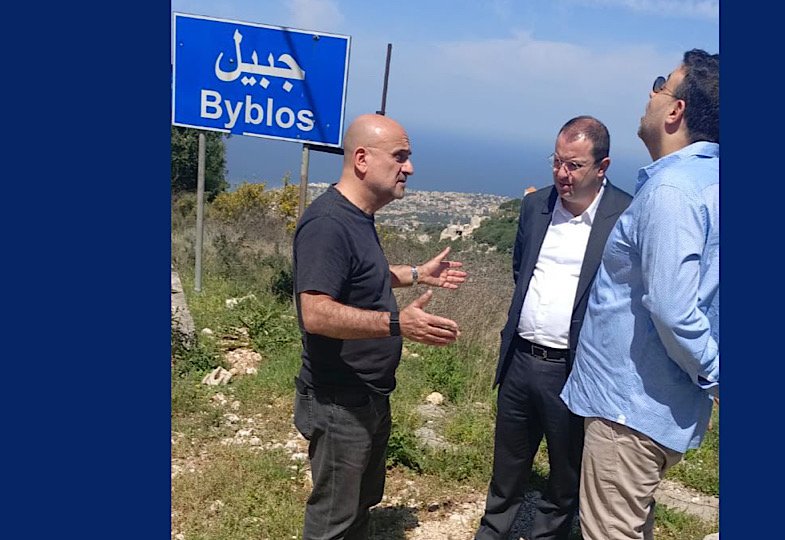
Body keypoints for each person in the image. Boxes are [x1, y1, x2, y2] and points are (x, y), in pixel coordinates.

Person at [560, 49, 720, 540]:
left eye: (660, 84)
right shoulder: (711, 182)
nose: (650, 94)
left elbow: (672, 308)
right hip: (657, 406)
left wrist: (716, 373)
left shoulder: (672, 191)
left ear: (676, 110)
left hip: (630, 409)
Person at [292, 113, 468, 540]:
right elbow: (315, 312)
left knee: (359, 506)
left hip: (368, 393)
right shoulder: (328, 224)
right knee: (333, 521)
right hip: (339, 400)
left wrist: (416, 274)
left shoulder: (357, 217)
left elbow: (362, 276)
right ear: (362, 159)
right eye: (400, 157)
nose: (410, 168)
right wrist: (396, 323)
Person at [475, 116, 633, 540]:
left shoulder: (624, 214)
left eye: (574, 165)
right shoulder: (535, 207)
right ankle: (492, 532)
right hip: (521, 359)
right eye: (557, 161)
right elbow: (521, 269)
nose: (563, 173)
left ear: (602, 167)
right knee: (507, 464)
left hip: (575, 368)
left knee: (565, 473)